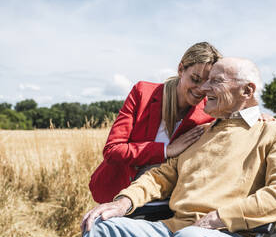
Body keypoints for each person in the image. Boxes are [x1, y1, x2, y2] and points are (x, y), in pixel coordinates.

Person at [81, 57, 276, 237]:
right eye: (204, 81)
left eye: (215, 81)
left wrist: (219, 218)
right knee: (100, 226)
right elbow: (160, 177)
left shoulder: (275, 132)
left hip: (228, 231)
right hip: (172, 229)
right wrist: (123, 203)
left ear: (246, 91)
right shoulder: (200, 132)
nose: (204, 88)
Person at [89, 42, 222, 203]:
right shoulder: (142, 93)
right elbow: (113, 150)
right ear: (181, 69)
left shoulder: (208, 113)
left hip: (165, 204)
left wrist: (257, 116)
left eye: (208, 83)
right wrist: (166, 150)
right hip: (119, 193)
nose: (201, 89)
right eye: (195, 79)